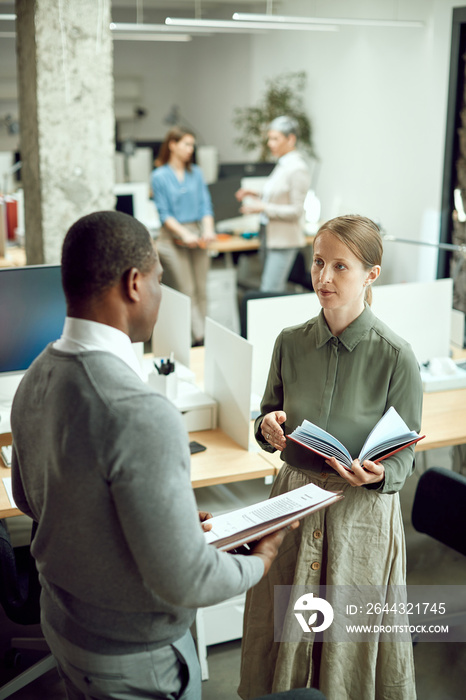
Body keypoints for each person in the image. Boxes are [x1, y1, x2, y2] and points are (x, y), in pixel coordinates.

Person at [11, 210, 297, 700]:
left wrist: (162, 522)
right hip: (131, 656)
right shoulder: (141, 412)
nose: (163, 297)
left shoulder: (35, 375)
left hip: (62, 625)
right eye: (162, 281)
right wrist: (264, 558)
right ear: (135, 284)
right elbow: (189, 581)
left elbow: (30, 498)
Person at [238, 215, 423, 700]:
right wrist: (266, 427)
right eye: (319, 262)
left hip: (360, 514)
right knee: (284, 628)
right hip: (293, 503)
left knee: (347, 640)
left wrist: (380, 473)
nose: (324, 278)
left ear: (371, 274)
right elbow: (265, 417)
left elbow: (404, 459)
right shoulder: (289, 342)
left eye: (341, 267)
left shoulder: (397, 356)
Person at [151, 127, 215, 345]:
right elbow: (164, 214)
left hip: (197, 236)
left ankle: (203, 335)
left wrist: (207, 230)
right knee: (187, 290)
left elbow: (205, 206)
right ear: (172, 145)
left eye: (192, 146)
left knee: (201, 289)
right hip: (172, 239)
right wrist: (185, 234)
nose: (190, 149)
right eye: (186, 144)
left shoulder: (196, 173)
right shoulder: (159, 176)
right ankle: (200, 339)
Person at [235, 115, 311, 292]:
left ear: (291, 139)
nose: (270, 143)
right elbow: (278, 194)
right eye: (269, 138)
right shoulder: (282, 164)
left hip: (284, 240)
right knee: (267, 288)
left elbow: (296, 210)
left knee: (270, 290)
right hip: (268, 236)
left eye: (275, 138)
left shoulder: (297, 168)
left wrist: (263, 208)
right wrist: (255, 193)